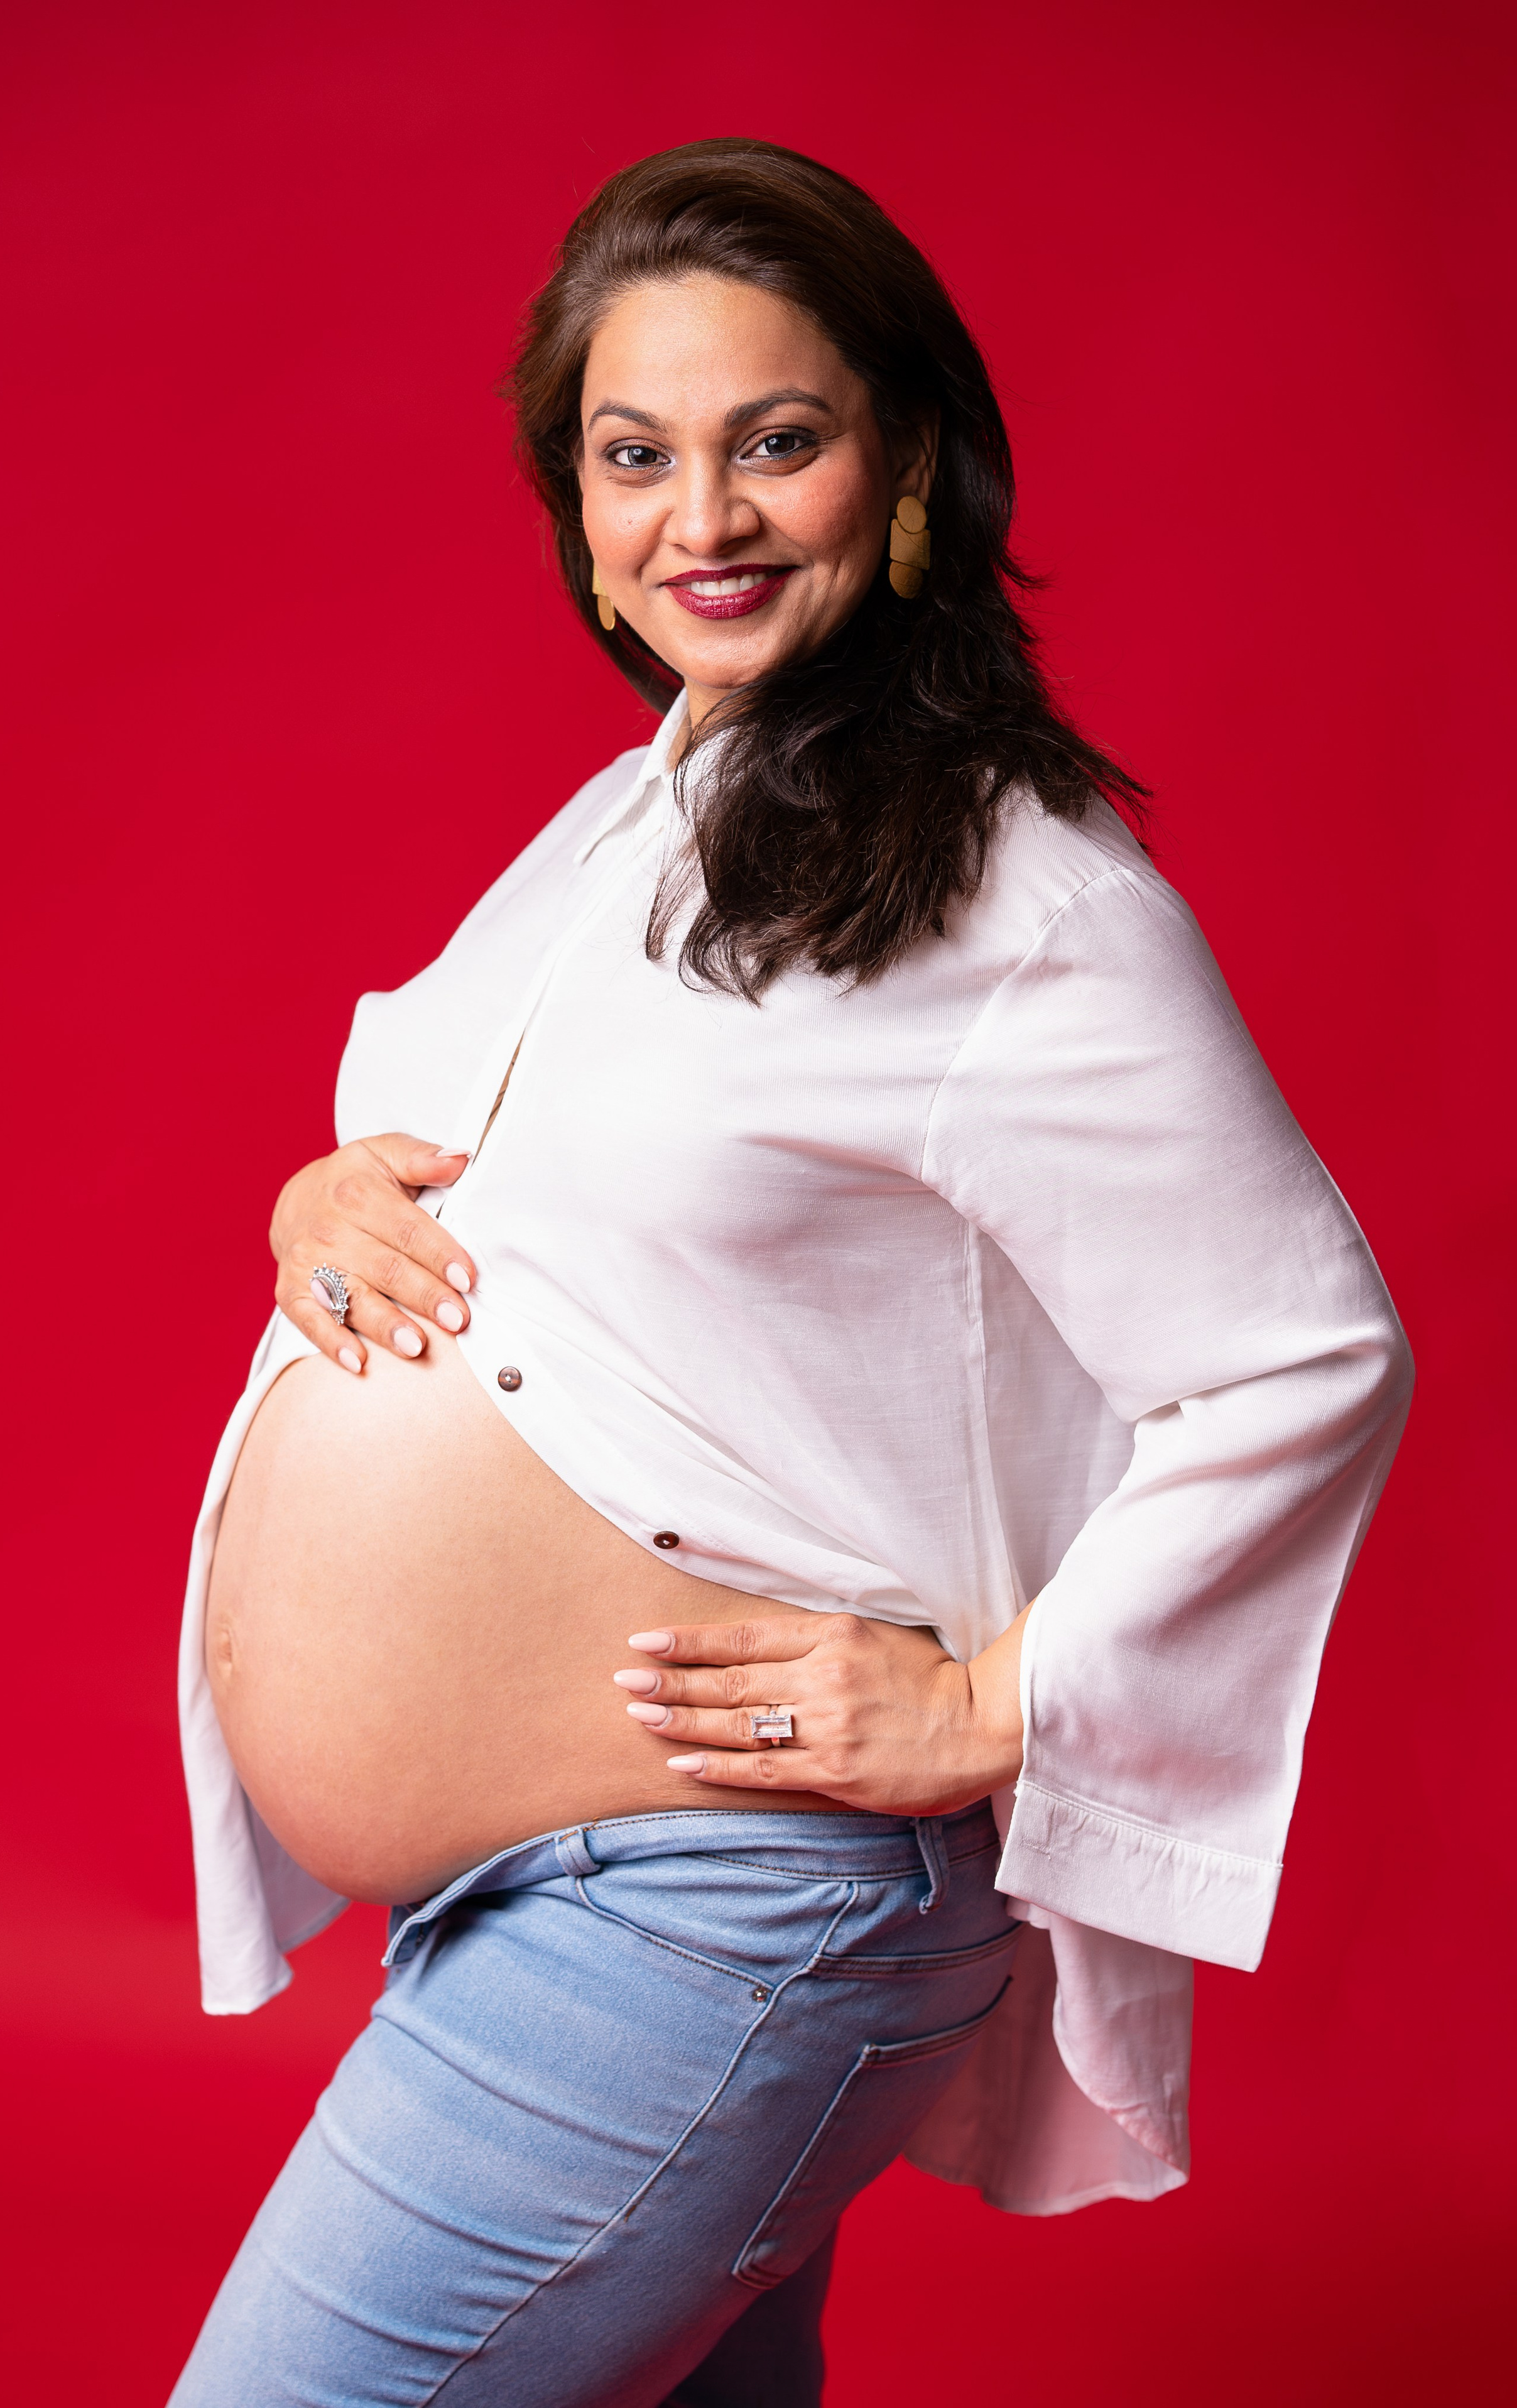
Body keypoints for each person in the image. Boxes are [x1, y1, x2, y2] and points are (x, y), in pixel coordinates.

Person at [170, 139, 1411, 2407]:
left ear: (910, 458)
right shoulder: (654, 810)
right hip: (548, 1901)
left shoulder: (1024, 897)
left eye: (780, 441)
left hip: (716, 1914)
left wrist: (990, 1701)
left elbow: (1304, 1355)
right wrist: (320, 1205)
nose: (702, 520)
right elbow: (501, 1166)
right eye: (636, 456)